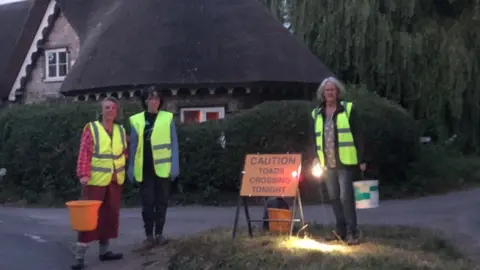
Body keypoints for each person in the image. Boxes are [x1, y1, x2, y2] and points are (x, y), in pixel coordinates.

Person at [72, 97, 127, 270]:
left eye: (113, 108)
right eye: (107, 107)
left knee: (109, 216)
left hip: (114, 180)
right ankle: (79, 258)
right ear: (101, 111)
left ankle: (104, 252)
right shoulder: (92, 129)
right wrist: (83, 174)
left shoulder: (120, 130)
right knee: (88, 219)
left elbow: (124, 151)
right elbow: (84, 152)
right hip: (94, 181)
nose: (111, 110)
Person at [311, 77, 366, 246]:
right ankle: (340, 231)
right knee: (334, 197)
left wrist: (362, 158)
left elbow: (359, 135)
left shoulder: (347, 109)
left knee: (345, 197)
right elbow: (315, 138)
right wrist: (315, 157)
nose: (329, 93)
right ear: (322, 93)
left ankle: (352, 232)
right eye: (327, 90)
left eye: (332, 90)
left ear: (337, 92)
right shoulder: (316, 113)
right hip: (326, 163)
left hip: (345, 161)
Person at [128, 87, 180, 251]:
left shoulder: (167, 118)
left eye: (157, 98)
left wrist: (175, 166)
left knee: (162, 202)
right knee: (147, 204)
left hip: (163, 168)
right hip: (144, 168)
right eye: (151, 98)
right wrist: (130, 167)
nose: (154, 101)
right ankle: (148, 236)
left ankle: (160, 234)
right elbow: (134, 145)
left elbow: (174, 144)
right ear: (145, 101)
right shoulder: (136, 120)